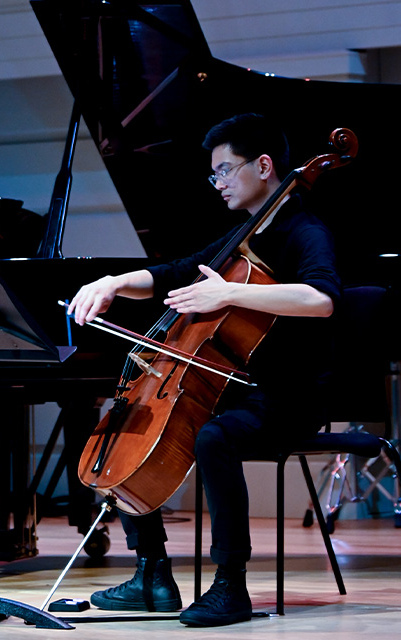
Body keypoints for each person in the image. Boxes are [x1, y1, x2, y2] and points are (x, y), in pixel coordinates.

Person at [67, 114, 341, 627]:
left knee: (215, 438)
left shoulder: (305, 231)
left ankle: (230, 586)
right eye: (212, 174)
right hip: (235, 389)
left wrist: (230, 292)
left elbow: (321, 298)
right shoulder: (244, 233)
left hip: (287, 395)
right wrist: (112, 281)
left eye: (224, 170)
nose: (217, 183)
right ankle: (151, 574)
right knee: (127, 423)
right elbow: (174, 272)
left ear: (263, 166)